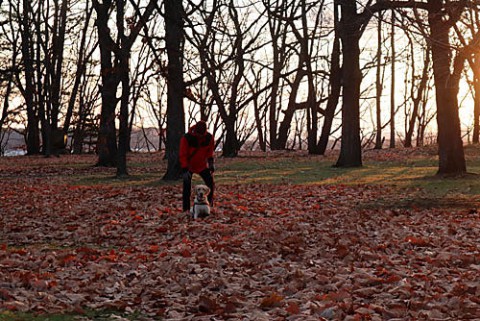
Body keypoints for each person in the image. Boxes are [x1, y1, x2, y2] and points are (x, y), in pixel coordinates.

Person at [179, 120, 215, 214]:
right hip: (189, 166)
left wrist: (210, 164)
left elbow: (210, 151)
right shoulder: (187, 138)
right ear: (196, 131)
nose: (200, 137)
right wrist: (184, 169)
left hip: (202, 165)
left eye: (202, 135)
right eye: (199, 135)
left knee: (210, 183)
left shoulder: (209, 138)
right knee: (186, 186)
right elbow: (183, 154)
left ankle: (209, 205)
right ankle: (186, 209)